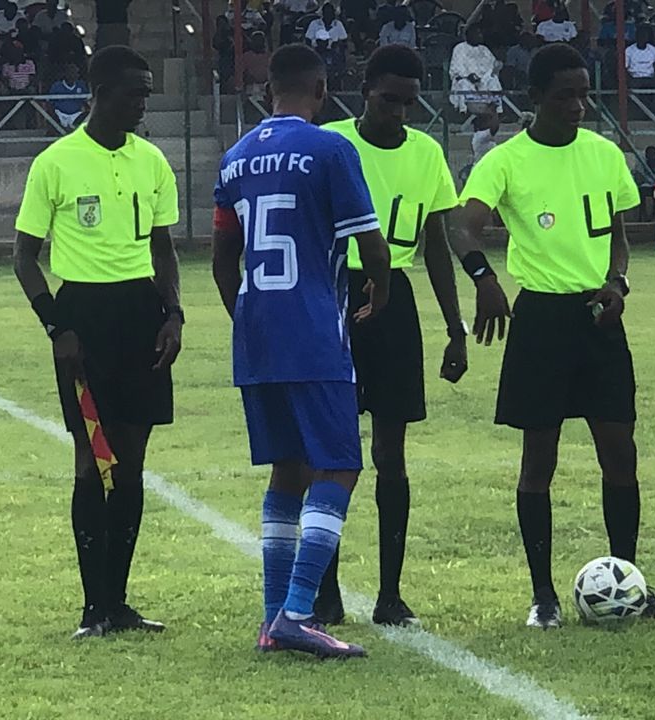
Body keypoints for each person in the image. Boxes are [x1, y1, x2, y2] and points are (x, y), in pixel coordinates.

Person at [448, 43, 655, 629]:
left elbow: (618, 236)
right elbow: (463, 227)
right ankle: (543, 597)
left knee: (620, 453)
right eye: (564, 96)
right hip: (541, 321)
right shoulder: (505, 161)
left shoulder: (603, 155)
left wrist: (618, 283)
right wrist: (484, 280)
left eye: (584, 94)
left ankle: (630, 584)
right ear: (534, 98)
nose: (578, 106)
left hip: (599, 320)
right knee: (539, 459)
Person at [211, 43, 389, 659]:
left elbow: (222, 260)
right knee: (339, 465)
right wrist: (380, 289)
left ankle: (272, 618)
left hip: (257, 334)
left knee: (287, 469)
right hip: (314, 331)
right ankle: (296, 610)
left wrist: (248, 318)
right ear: (321, 92)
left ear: (268, 93)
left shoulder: (234, 158)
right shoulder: (331, 148)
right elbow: (371, 244)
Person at [13, 45, 181, 640]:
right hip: (82, 318)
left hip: (141, 315)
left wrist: (173, 315)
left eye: (147, 94)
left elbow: (163, 247)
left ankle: (119, 602)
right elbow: (24, 258)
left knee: (131, 461)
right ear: (101, 94)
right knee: (91, 458)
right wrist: (56, 325)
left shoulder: (152, 161)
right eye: (135, 93)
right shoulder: (55, 163)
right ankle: (93, 609)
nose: (143, 105)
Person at [311, 46, 468, 627]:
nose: (398, 112)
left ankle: (390, 594)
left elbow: (436, 246)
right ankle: (325, 592)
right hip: (336, 293)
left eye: (408, 102)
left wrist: (454, 328)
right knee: (331, 452)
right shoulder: (331, 144)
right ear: (364, 90)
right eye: (388, 100)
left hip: (394, 301)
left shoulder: (426, 153)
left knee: (391, 454)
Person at [449, 25, 502, 113]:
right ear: (469, 35)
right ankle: (464, 111)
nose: (480, 36)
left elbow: (492, 66)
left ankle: (497, 110)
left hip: (483, 82)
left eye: (481, 33)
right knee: (463, 84)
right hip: (467, 80)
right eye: (478, 33)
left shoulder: (484, 49)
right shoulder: (459, 48)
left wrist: (496, 67)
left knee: (494, 81)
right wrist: (468, 76)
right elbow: (456, 69)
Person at [48, 61, 88, 129]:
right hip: (60, 114)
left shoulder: (81, 85)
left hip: (77, 115)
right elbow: (50, 103)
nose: (74, 75)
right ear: (65, 74)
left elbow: (86, 101)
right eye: (71, 72)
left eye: (76, 73)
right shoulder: (56, 86)